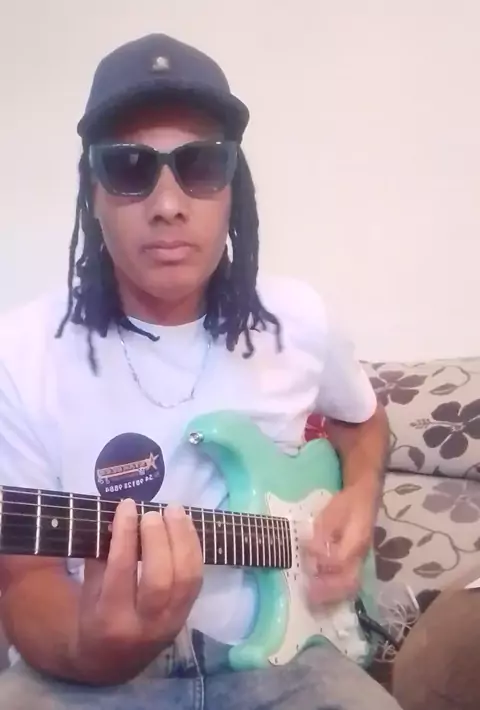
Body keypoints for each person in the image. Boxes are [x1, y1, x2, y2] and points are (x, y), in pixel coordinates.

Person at [0, 33, 401, 709]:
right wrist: (97, 647)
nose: (168, 203)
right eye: (129, 166)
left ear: (233, 190)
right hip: (88, 681)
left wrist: (358, 500)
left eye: (202, 164)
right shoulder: (20, 350)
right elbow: (25, 580)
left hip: (288, 662)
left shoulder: (298, 318)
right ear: (92, 193)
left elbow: (362, 423)